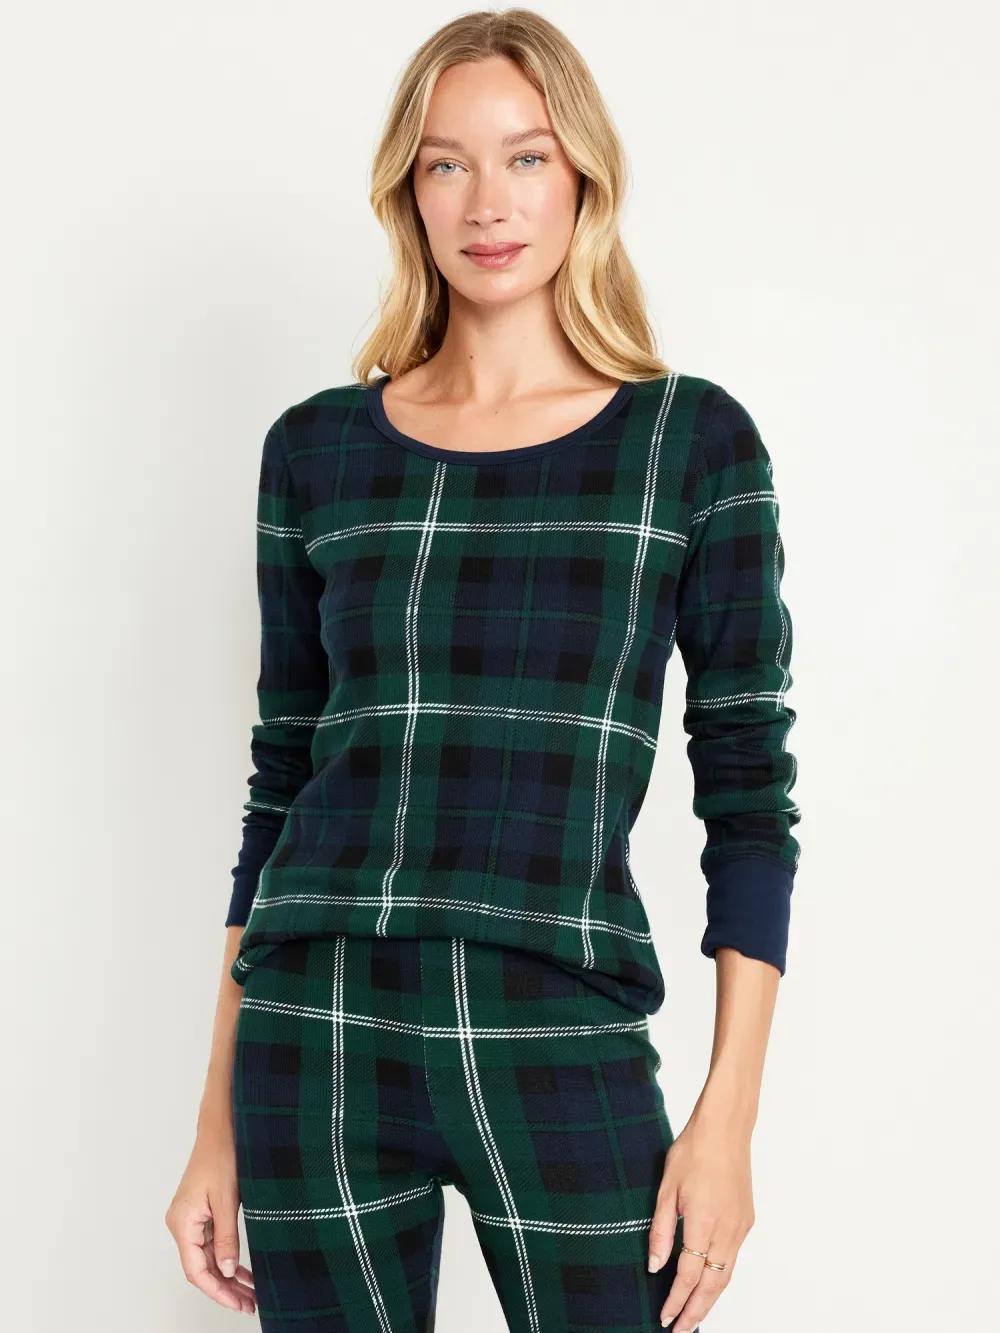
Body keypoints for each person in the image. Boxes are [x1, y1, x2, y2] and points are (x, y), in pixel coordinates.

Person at [165, 10, 801, 1332]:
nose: (487, 202)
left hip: (556, 1013)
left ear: (584, 177)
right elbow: (279, 786)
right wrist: (215, 1116)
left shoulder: (689, 444)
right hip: (319, 1027)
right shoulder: (318, 453)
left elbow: (748, 792)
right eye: (446, 163)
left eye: (525, 157)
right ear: (409, 191)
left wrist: (727, 1117)